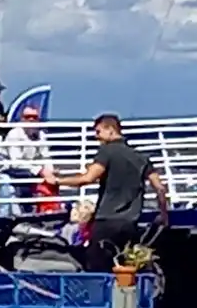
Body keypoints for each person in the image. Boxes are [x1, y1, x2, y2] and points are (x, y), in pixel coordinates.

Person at [42, 113, 170, 270]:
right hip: (130, 223)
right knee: (127, 270)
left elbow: (88, 179)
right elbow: (160, 187)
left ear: (110, 130)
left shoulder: (107, 152)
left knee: (97, 268)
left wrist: (58, 181)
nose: (97, 137)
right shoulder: (141, 157)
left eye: (98, 132)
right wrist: (163, 213)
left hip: (106, 222)